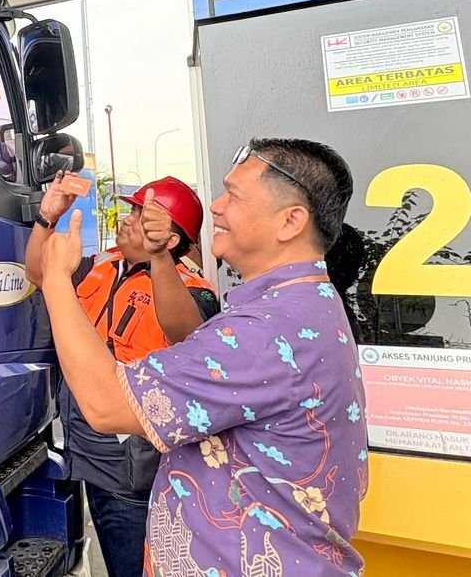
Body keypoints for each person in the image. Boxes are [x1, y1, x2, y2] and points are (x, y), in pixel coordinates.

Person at [37, 139, 367, 577]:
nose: (218, 206)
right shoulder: (301, 303)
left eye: (234, 195)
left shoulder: (266, 329)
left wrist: (57, 280)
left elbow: (107, 403)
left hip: (132, 461)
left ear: (290, 221)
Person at [25, 174, 220, 577]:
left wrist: (160, 258)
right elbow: (39, 274)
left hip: (131, 469)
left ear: (172, 235)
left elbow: (186, 333)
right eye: (131, 210)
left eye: (141, 214)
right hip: (89, 450)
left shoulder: (193, 289)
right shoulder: (103, 265)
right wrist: (47, 219)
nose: (128, 220)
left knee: (133, 563)